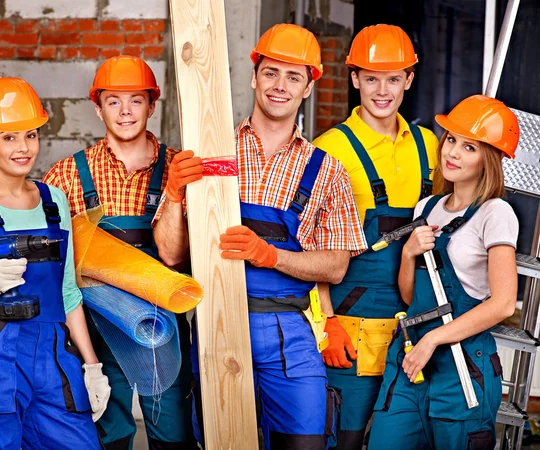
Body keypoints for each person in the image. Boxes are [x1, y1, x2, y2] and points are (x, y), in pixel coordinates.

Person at [153, 23, 367, 449]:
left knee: (303, 443)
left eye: (293, 77)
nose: (279, 86)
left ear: (309, 88)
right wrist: (175, 194)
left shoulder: (326, 170)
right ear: (253, 76)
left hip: (292, 332)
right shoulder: (213, 152)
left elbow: (336, 266)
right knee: (224, 441)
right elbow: (171, 255)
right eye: (271, 73)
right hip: (218, 324)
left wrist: (272, 255)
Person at [0, 77, 109, 449]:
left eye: (31, 135)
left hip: (52, 356)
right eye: (9, 137)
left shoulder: (55, 201)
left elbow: (67, 293)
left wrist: (92, 366)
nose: (23, 148)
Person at [43, 55, 197, 450]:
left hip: (162, 328)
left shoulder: (179, 169)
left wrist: (176, 194)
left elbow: (181, 259)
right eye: (114, 101)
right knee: (106, 437)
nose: (125, 111)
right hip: (96, 330)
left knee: (173, 436)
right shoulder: (66, 175)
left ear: (151, 105)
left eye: (136, 100)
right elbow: (50, 265)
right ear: (98, 107)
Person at [312, 24, 439, 449]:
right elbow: (307, 244)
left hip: (414, 335)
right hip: (351, 333)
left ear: (409, 80)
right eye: (370, 78)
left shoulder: (430, 146)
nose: (381, 90)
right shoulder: (330, 148)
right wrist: (324, 322)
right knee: (341, 441)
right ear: (354, 79)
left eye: (392, 78)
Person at [368, 94, 519, 450]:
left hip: (462, 367)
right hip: (411, 361)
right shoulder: (428, 206)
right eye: (451, 139)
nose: (452, 152)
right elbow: (412, 297)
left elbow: (503, 304)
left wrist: (434, 339)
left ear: (489, 160)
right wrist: (407, 253)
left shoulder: (495, 213)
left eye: (470, 147)